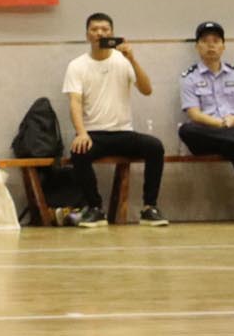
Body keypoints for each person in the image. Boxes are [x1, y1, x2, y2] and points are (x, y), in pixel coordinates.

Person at [64, 12, 167, 227]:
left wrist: (132, 59)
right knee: (78, 151)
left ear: (112, 34)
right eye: (94, 29)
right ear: (87, 35)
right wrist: (81, 133)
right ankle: (95, 208)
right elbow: (75, 102)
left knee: (155, 147)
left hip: (123, 132)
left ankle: (149, 207)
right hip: (93, 133)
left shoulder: (123, 61)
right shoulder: (77, 65)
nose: (100, 33)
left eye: (105, 29)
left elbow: (147, 90)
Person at [176, 21, 234, 223]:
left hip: (231, 138)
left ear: (223, 46)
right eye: (205, 41)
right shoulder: (189, 77)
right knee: (186, 130)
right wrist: (226, 125)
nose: (211, 45)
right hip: (205, 137)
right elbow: (195, 115)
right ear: (197, 46)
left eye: (215, 41)